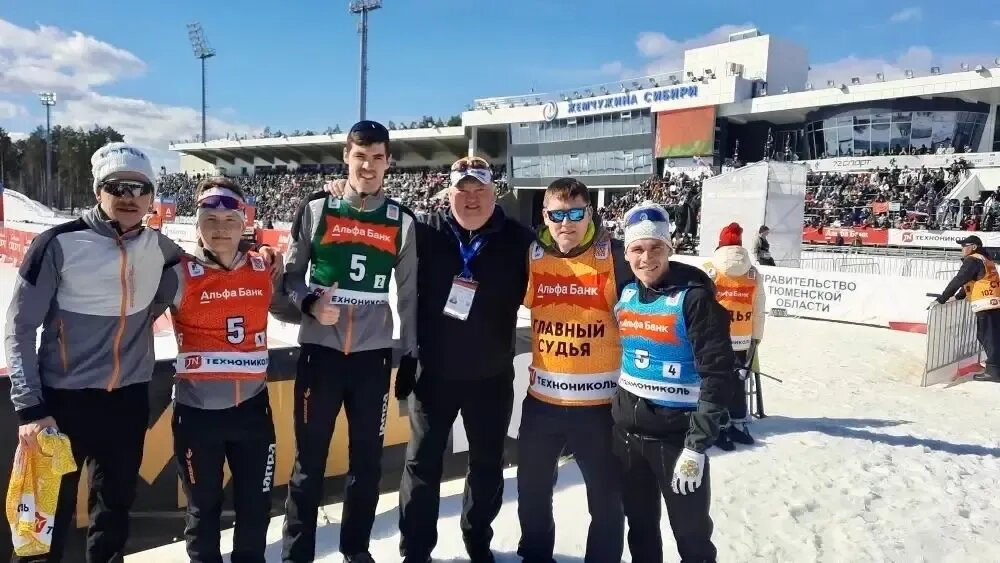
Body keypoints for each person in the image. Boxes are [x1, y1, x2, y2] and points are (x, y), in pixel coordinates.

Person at [4, 142, 279, 563]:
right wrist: (30, 408)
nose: (129, 198)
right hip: (62, 405)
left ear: (152, 197)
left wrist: (257, 255)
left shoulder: (160, 248)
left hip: (127, 402)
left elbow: (212, 264)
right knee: (46, 523)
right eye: (118, 187)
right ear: (98, 191)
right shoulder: (56, 243)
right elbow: (19, 327)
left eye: (140, 189)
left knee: (113, 514)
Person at [327, 155, 533, 562]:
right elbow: (364, 226)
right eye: (462, 190)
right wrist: (342, 194)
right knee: (421, 466)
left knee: (487, 465)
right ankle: (417, 550)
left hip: (491, 376)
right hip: (432, 373)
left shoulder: (520, 240)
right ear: (448, 195)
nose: (471, 198)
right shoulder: (422, 231)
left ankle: (478, 540)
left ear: (494, 193)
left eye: (479, 189)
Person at [279, 120, 419, 563]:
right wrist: (309, 304)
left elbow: (409, 296)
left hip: (371, 362)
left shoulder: (401, 220)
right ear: (346, 156)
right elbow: (289, 279)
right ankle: (296, 554)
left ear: (389, 162)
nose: (368, 166)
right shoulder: (316, 208)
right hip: (320, 356)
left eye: (377, 157)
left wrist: (409, 354)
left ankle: (356, 550)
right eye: (360, 156)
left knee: (367, 464)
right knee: (309, 463)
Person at [154, 178, 284, 563]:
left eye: (230, 220)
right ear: (197, 224)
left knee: (256, 508)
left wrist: (313, 303)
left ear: (244, 223)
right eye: (210, 219)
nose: (220, 228)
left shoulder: (263, 267)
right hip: (197, 417)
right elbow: (133, 318)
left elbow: (292, 304)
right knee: (202, 511)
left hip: (253, 413)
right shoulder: (178, 273)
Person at [611, 201, 736, 563]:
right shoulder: (626, 292)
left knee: (692, 536)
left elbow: (718, 374)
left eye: (655, 248)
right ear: (627, 253)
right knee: (640, 529)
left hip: (676, 440)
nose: (646, 258)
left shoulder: (694, 299)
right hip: (628, 438)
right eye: (637, 249)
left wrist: (696, 446)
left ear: (669, 248)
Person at [516, 178, 630, 563]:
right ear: (544, 216)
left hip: (599, 409)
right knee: (532, 492)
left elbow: (661, 278)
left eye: (576, 213)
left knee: (607, 499)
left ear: (589, 214)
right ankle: (536, 556)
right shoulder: (532, 255)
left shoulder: (614, 256)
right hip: (542, 404)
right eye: (558, 215)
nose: (566, 223)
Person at [702, 222, 765, 450]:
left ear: (720, 244)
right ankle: (739, 424)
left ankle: (719, 427)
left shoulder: (709, 270)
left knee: (716, 383)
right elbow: (759, 310)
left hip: (715, 338)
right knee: (738, 382)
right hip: (743, 337)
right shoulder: (752, 273)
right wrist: (756, 338)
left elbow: (702, 306)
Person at [934, 235, 1000, 383]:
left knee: (988, 338)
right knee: (990, 336)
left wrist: (942, 298)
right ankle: (995, 368)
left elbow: (959, 279)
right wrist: (958, 296)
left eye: (965, 245)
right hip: (994, 302)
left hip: (985, 304)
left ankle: (994, 372)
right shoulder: (985, 260)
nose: (962, 248)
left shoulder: (973, 260)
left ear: (974, 247)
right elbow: (974, 281)